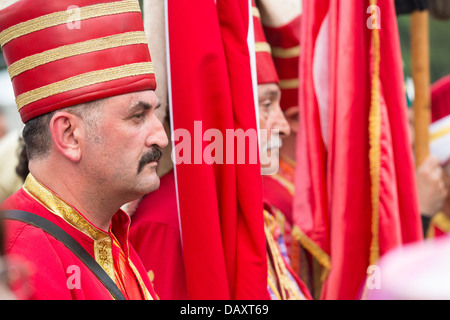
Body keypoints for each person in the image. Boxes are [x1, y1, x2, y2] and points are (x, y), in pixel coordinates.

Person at [129, 0, 312, 300]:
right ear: (228, 111)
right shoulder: (163, 223)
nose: (283, 125)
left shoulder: (255, 208)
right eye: (266, 104)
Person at [0, 0, 167, 300]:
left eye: (155, 113)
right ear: (69, 135)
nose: (161, 137)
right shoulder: (20, 263)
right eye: (137, 116)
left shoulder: (109, 233)